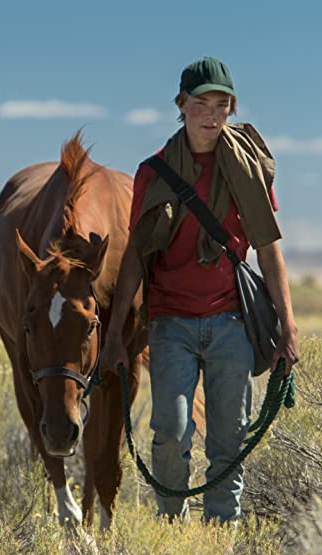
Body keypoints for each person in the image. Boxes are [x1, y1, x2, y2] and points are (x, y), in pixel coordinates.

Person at [102, 56, 299, 524]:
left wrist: (288, 325)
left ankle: (219, 541)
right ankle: (172, 527)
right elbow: (135, 259)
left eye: (221, 104)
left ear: (231, 108)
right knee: (170, 431)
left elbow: (269, 250)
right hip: (170, 323)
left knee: (229, 439)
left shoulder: (246, 168)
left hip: (232, 321)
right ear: (181, 105)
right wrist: (113, 336)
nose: (211, 114)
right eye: (200, 103)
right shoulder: (154, 173)